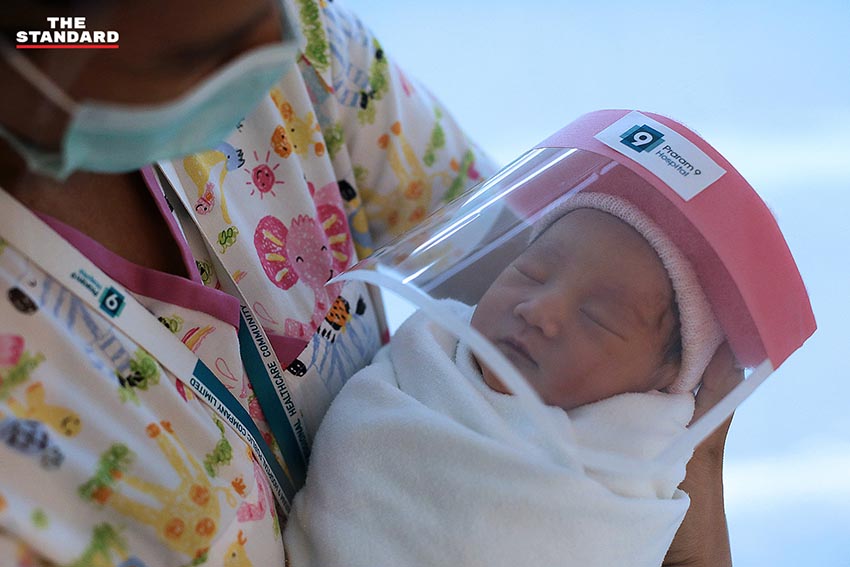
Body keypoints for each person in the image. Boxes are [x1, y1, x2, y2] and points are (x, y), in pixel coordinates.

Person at [0, 1, 733, 566]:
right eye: (210, 53)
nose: (279, 48)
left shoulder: (299, 50)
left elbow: (542, 250)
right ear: (44, 36)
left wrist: (671, 460)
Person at [283, 184, 739, 566]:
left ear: (659, 384)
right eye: (531, 272)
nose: (539, 310)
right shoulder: (433, 347)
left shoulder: (638, 452)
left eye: (598, 317)